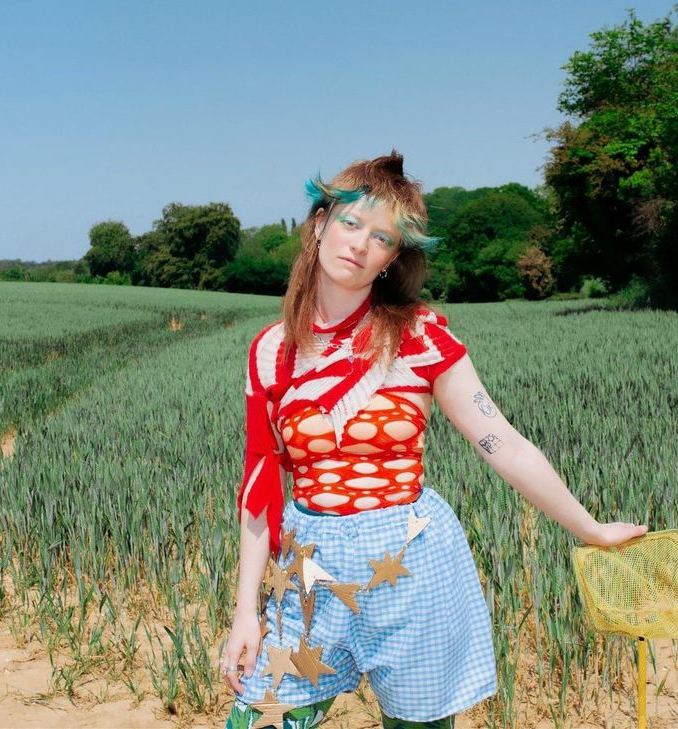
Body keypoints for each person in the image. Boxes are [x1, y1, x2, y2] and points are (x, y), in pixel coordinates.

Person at [221, 150, 648, 729]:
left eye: (383, 237)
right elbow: (259, 490)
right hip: (306, 572)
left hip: (410, 567)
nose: (359, 244)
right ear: (319, 224)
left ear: (393, 258)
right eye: (350, 222)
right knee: (260, 719)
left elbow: (502, 442)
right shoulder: (272, 352)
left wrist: (590, 528)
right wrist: (246, 612)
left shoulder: (420, 337)